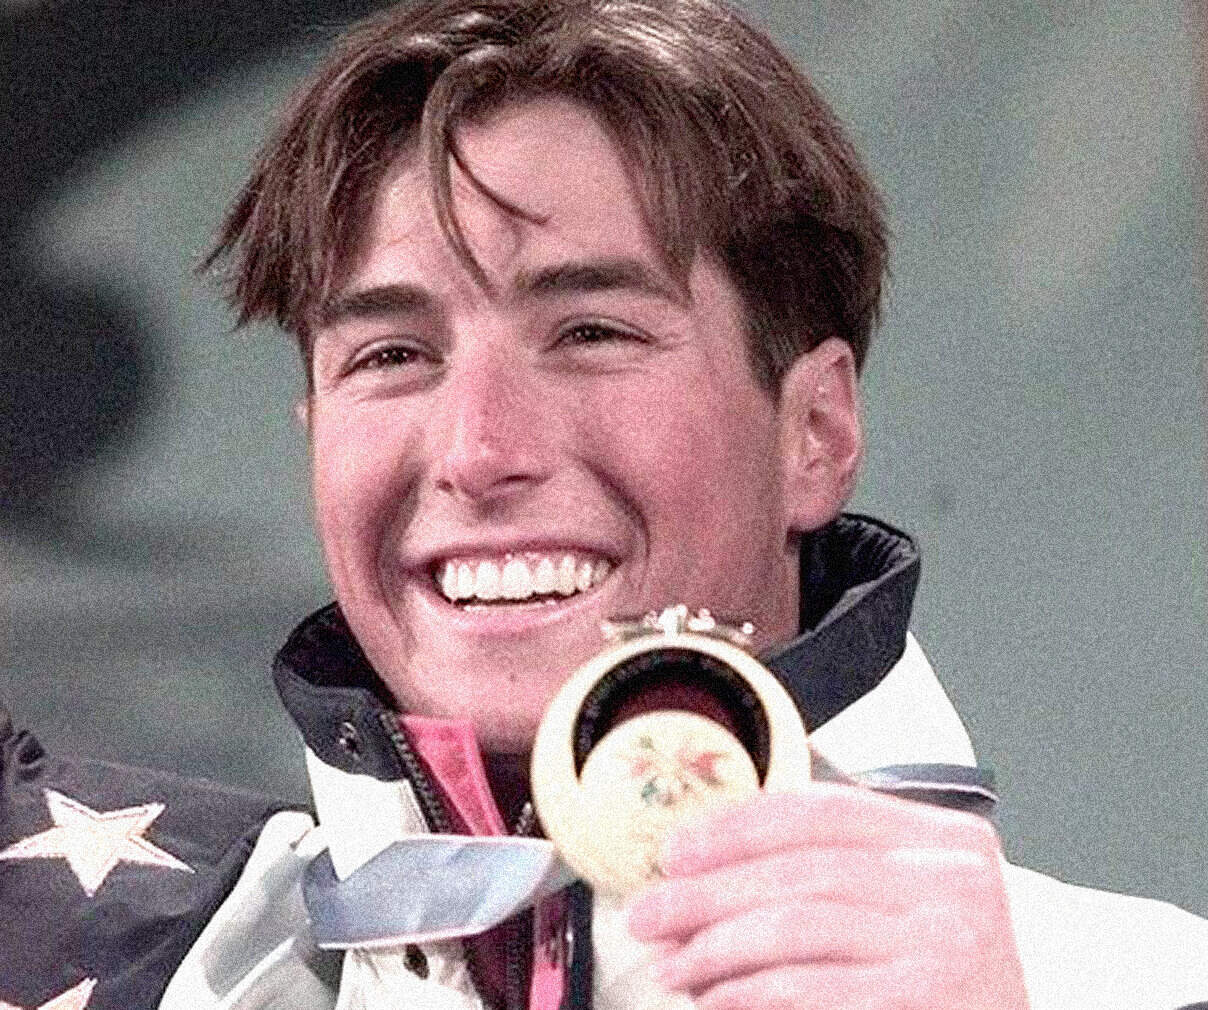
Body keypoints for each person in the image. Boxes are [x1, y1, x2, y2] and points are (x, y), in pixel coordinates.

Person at [1, 0, 1206, 1008]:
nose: (476, 452)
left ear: (814, 431)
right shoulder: (153, 959)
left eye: (589, 331)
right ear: (315, 435)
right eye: (391, 355)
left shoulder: (1122, 983)